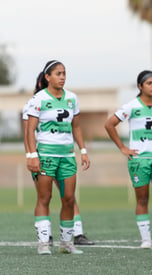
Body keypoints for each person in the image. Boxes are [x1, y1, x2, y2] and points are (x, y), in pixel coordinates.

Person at [105, 70, 152, 249]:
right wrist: (123, 148)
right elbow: (109, 124)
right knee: (142, 199)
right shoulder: (131, 106)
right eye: (149, 83)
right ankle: (146, 239)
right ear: (140, 86)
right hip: (139, 160)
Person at [26, 60, 90, 255]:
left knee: (69, 199)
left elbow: (76, 126)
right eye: (58, 74)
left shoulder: (72, 98)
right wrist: (32, 155)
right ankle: (44, 243)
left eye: (64, 73)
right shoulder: (39, 99)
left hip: (67, 156)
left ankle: (66, 243)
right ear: (47, 77)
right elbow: (30, 130)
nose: (62, 77)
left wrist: (83, 150)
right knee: (45, 197)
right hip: (46, 155)